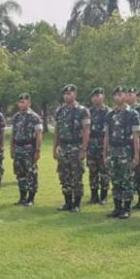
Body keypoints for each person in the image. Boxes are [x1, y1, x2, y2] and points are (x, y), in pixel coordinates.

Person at [104, 86, 140, 219]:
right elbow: (107, 136)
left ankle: (126, 208)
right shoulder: (110, 114)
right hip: (113, 150)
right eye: (115, 95)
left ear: (126, 96)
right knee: (115, 180)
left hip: (126, 150)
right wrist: (105, 153)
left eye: (120, 94)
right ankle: (117, 207)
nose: (117, 97)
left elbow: (136, 136)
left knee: (127, 180)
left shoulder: (133, 114)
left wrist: (136, 155)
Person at [54, 84, 91, 212]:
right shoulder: (59, 111)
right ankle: (67, 202)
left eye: (69, 93)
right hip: (63, 147)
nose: (67, 96)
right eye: (65, 93)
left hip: (76, 146)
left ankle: (76, 204)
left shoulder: (82, 111)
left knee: (76, 176)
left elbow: (86, 130)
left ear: (75, 94)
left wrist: (84, 149)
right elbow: (57, 131)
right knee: (64, 176)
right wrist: (55, 148)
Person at [10, 93, 43, 206]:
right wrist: (12, 148)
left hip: (29, 148)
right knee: (20, 174)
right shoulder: (16, 117)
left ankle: (31, 198)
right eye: (19, 102)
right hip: (18, 148)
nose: (21, 104)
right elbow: (13, 134)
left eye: (23, 102)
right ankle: (22, 197)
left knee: (31, 173)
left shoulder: (35, 117)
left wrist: (37, 150)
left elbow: (39, 135)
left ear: (29, 103)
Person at [87, 87, 111, 204]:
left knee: (104, 171)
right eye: (94, 96)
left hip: (103, 144)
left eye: (99, 95)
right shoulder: (88, 112)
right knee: (92, 170)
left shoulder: (109, 112)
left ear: (103, 97)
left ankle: (104, 196)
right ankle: (94, 195)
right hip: (91, 144)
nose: (97, 98)